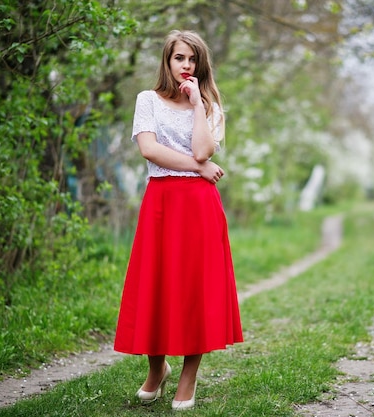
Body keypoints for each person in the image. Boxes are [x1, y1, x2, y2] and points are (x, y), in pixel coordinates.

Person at [113, 30, 244, 411]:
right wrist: (199, 168)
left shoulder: (212, 107)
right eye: (179, 59)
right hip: (162, 201)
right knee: (156, 282)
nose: (186, 66)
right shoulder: (147, 100)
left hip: (200, 207)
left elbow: (204, 149)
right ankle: (157, 371)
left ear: (201, 66)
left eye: (193, 60)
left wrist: (198, 105)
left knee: (194, 288)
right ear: (167, 62)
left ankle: (189, 376)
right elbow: (149, 149)